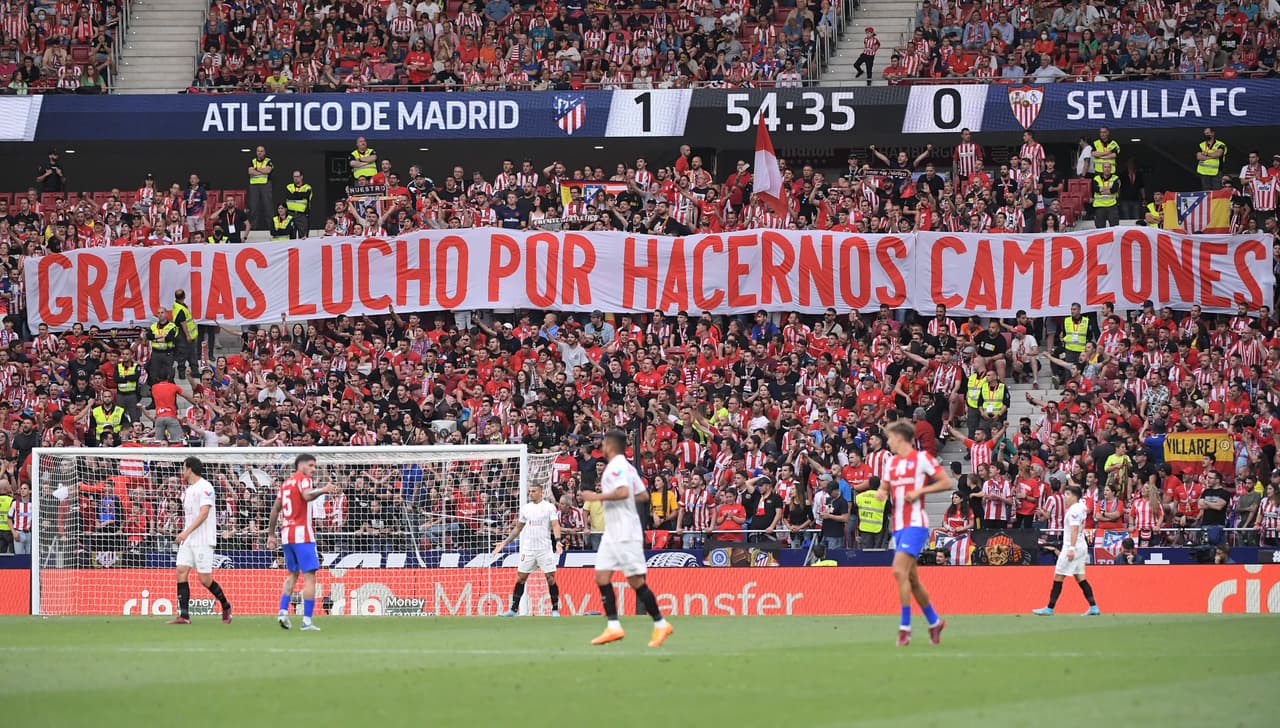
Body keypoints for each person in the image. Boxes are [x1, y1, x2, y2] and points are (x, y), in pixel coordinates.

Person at [579, 430, 673, 647]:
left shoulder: (617, 467)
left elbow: (622, 492)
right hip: (612, 532)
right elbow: (643, 495)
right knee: (601, 576)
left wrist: (597, 496)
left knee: (635, 581)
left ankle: (661, 624)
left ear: (610, 446)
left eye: (604, 443)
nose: (602, 447)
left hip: (625, 532)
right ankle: (613, 626)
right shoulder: (628, 468)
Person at [876, 419, 952, 646]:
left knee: (898, 570)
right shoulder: (891, 463)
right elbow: (884, 487)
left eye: (890, 438)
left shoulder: (922, 458)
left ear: (900, 438)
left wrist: (920, 491)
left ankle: (905, 627)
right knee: (912, 580)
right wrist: (881, 493)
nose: (888, 442)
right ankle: (934, 622)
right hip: (898, 527)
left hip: (916, 523)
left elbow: (946, 482)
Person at [267, 453, 340, 630]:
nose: (313, 469)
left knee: (292, 575)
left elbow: (275, 509)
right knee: (310, 577)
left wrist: (271, 534)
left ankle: (282, 611)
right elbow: (307, 496)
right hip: (303, 535)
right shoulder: (304, 480)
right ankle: (307, 621)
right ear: (300, 465)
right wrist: (323, 489)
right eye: (311, 465)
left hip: (286, 535)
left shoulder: (285, 484)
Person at [169, 456, 233, 624]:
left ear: (189, 469)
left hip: (203, 539)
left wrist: (185, 532)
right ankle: (184, 615)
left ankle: (225, 605)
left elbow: (204, 513)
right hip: (188, 539)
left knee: (204, 579)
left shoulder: (206, 487)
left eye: (183, 468)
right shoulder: (188, 490)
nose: (182, 471)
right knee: (181, 570)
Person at [493, 482, 564, 617]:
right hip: (529, 549)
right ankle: (513, 610)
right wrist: (505, 542)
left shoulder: (549, 507)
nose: (531, 493)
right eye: (530, 491)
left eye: (533, 491)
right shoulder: (526, 509)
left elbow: (555, 525)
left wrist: (558, 541)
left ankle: (555, 610)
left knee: (550, 578)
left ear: (541, 492)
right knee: (521, 578)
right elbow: (518, 528)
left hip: (544, 548)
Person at [1033, 485, 1101, 616]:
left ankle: (1049, 608)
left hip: (1072, 546)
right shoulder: (1081, 506)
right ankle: (1093, 607)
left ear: (1075, 496)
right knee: (1080, 577)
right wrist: (1069, 476)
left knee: (1058, 575)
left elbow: (1074, 529)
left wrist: (1071, 549)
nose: (1065, 497)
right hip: (1081, 546)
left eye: (1068, 494)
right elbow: (1076, 487)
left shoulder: (1074, 510)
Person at [246, 145, 274, 230]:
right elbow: (250, 171)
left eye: (261, 151)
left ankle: (271, 227)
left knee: (268, 207)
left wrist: (256, 169)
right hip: (254, 186)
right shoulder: (252, 161)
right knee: (254, 207)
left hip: (265, 185)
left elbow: (268, 170)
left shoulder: (268, 161)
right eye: (258, 151)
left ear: (264, 152)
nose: (260, 153)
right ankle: (253, 228)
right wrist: (262, 171)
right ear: (256, 152)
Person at [284, 170, 313, 236]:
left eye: (297, 176)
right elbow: (290, 196)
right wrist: (300, 195)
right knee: (291, 236)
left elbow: (306, 195)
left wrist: (295, 194)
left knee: (303, 237)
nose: (296, 178)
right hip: (290, 214)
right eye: (294, 177)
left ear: (301, 177)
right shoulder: (289, 186)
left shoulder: (307, 187)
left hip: (302, 215)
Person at [7, 483, 32, 556]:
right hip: (18, 533)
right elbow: (9, 519)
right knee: (20, 558)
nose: (22, 490)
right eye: (21, 489)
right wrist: (14, 532)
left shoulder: (34, 504)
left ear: (29, 491)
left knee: (30, 558)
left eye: (25, 488)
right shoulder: (15, 503)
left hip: (30, 534)